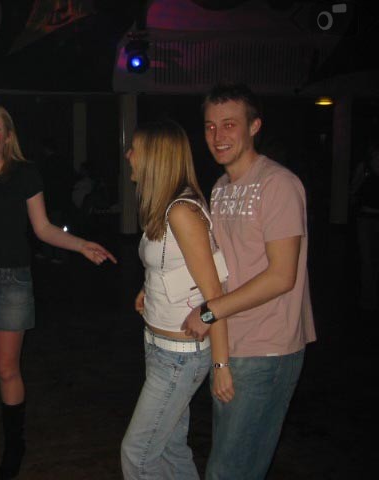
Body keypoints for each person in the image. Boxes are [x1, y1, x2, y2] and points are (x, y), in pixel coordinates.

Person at [0, 105, 116, 480]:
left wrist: (81, 245)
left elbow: (43, 228)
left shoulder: (25, 175)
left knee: (7, 370)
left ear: (7, 137)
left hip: (12, 283)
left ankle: (14, 447)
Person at [182, 84, 316, 479]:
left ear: (254, 126)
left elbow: (282, 276)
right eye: (210, 126)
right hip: (232, 341)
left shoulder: (279, 185)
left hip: (268, 347)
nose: (217, 136)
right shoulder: (220, 189)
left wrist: (209, 312)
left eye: (229, 124)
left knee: (229, 469)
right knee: (234, 464)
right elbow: (220, 267)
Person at [120, 120, 234, 480]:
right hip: (159, 345)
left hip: (180, 356)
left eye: (135, 148)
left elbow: (216, 293)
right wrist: (149, 287)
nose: (128, 154)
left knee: (137, 455)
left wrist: (221, 365)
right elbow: (174, 263)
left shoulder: (182, 212)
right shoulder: (167, 206)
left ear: (156, 157)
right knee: (170, 448)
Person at [350, 142, 379, 312]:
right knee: (367, 260)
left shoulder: (366, 166)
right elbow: (354, 187)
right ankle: (368, 300)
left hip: (368, 217)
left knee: (370, 260)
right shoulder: (365, 166)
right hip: (366, 217)